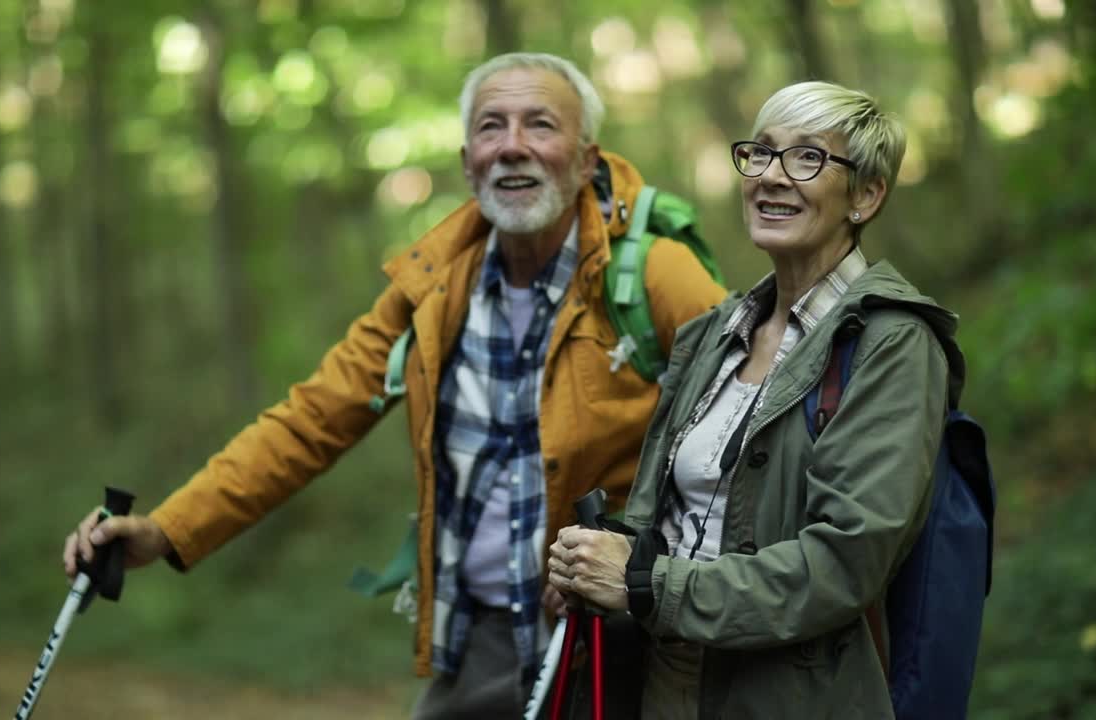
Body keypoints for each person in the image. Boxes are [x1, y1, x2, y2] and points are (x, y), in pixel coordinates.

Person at [62, 52, 725, 718]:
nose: (513, 147)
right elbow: (312, 418)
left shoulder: (657, 280)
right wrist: (167, 530)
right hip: (478, 640)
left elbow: (745, 437)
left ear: (585, 160)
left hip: (615, 640)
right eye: (492, 127)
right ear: (468, 162)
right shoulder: (431, 290)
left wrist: (648, 563)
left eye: (541, 125)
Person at [547, 80, 961, 718]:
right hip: (664, 680)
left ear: (866, 196)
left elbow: (845, 562)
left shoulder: (892, 343)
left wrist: (643, 583)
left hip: (791, 695)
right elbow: (673, 515)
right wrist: (596, 559)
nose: (772, 176)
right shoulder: (714, 334)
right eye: (762, 153)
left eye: (808, 158)